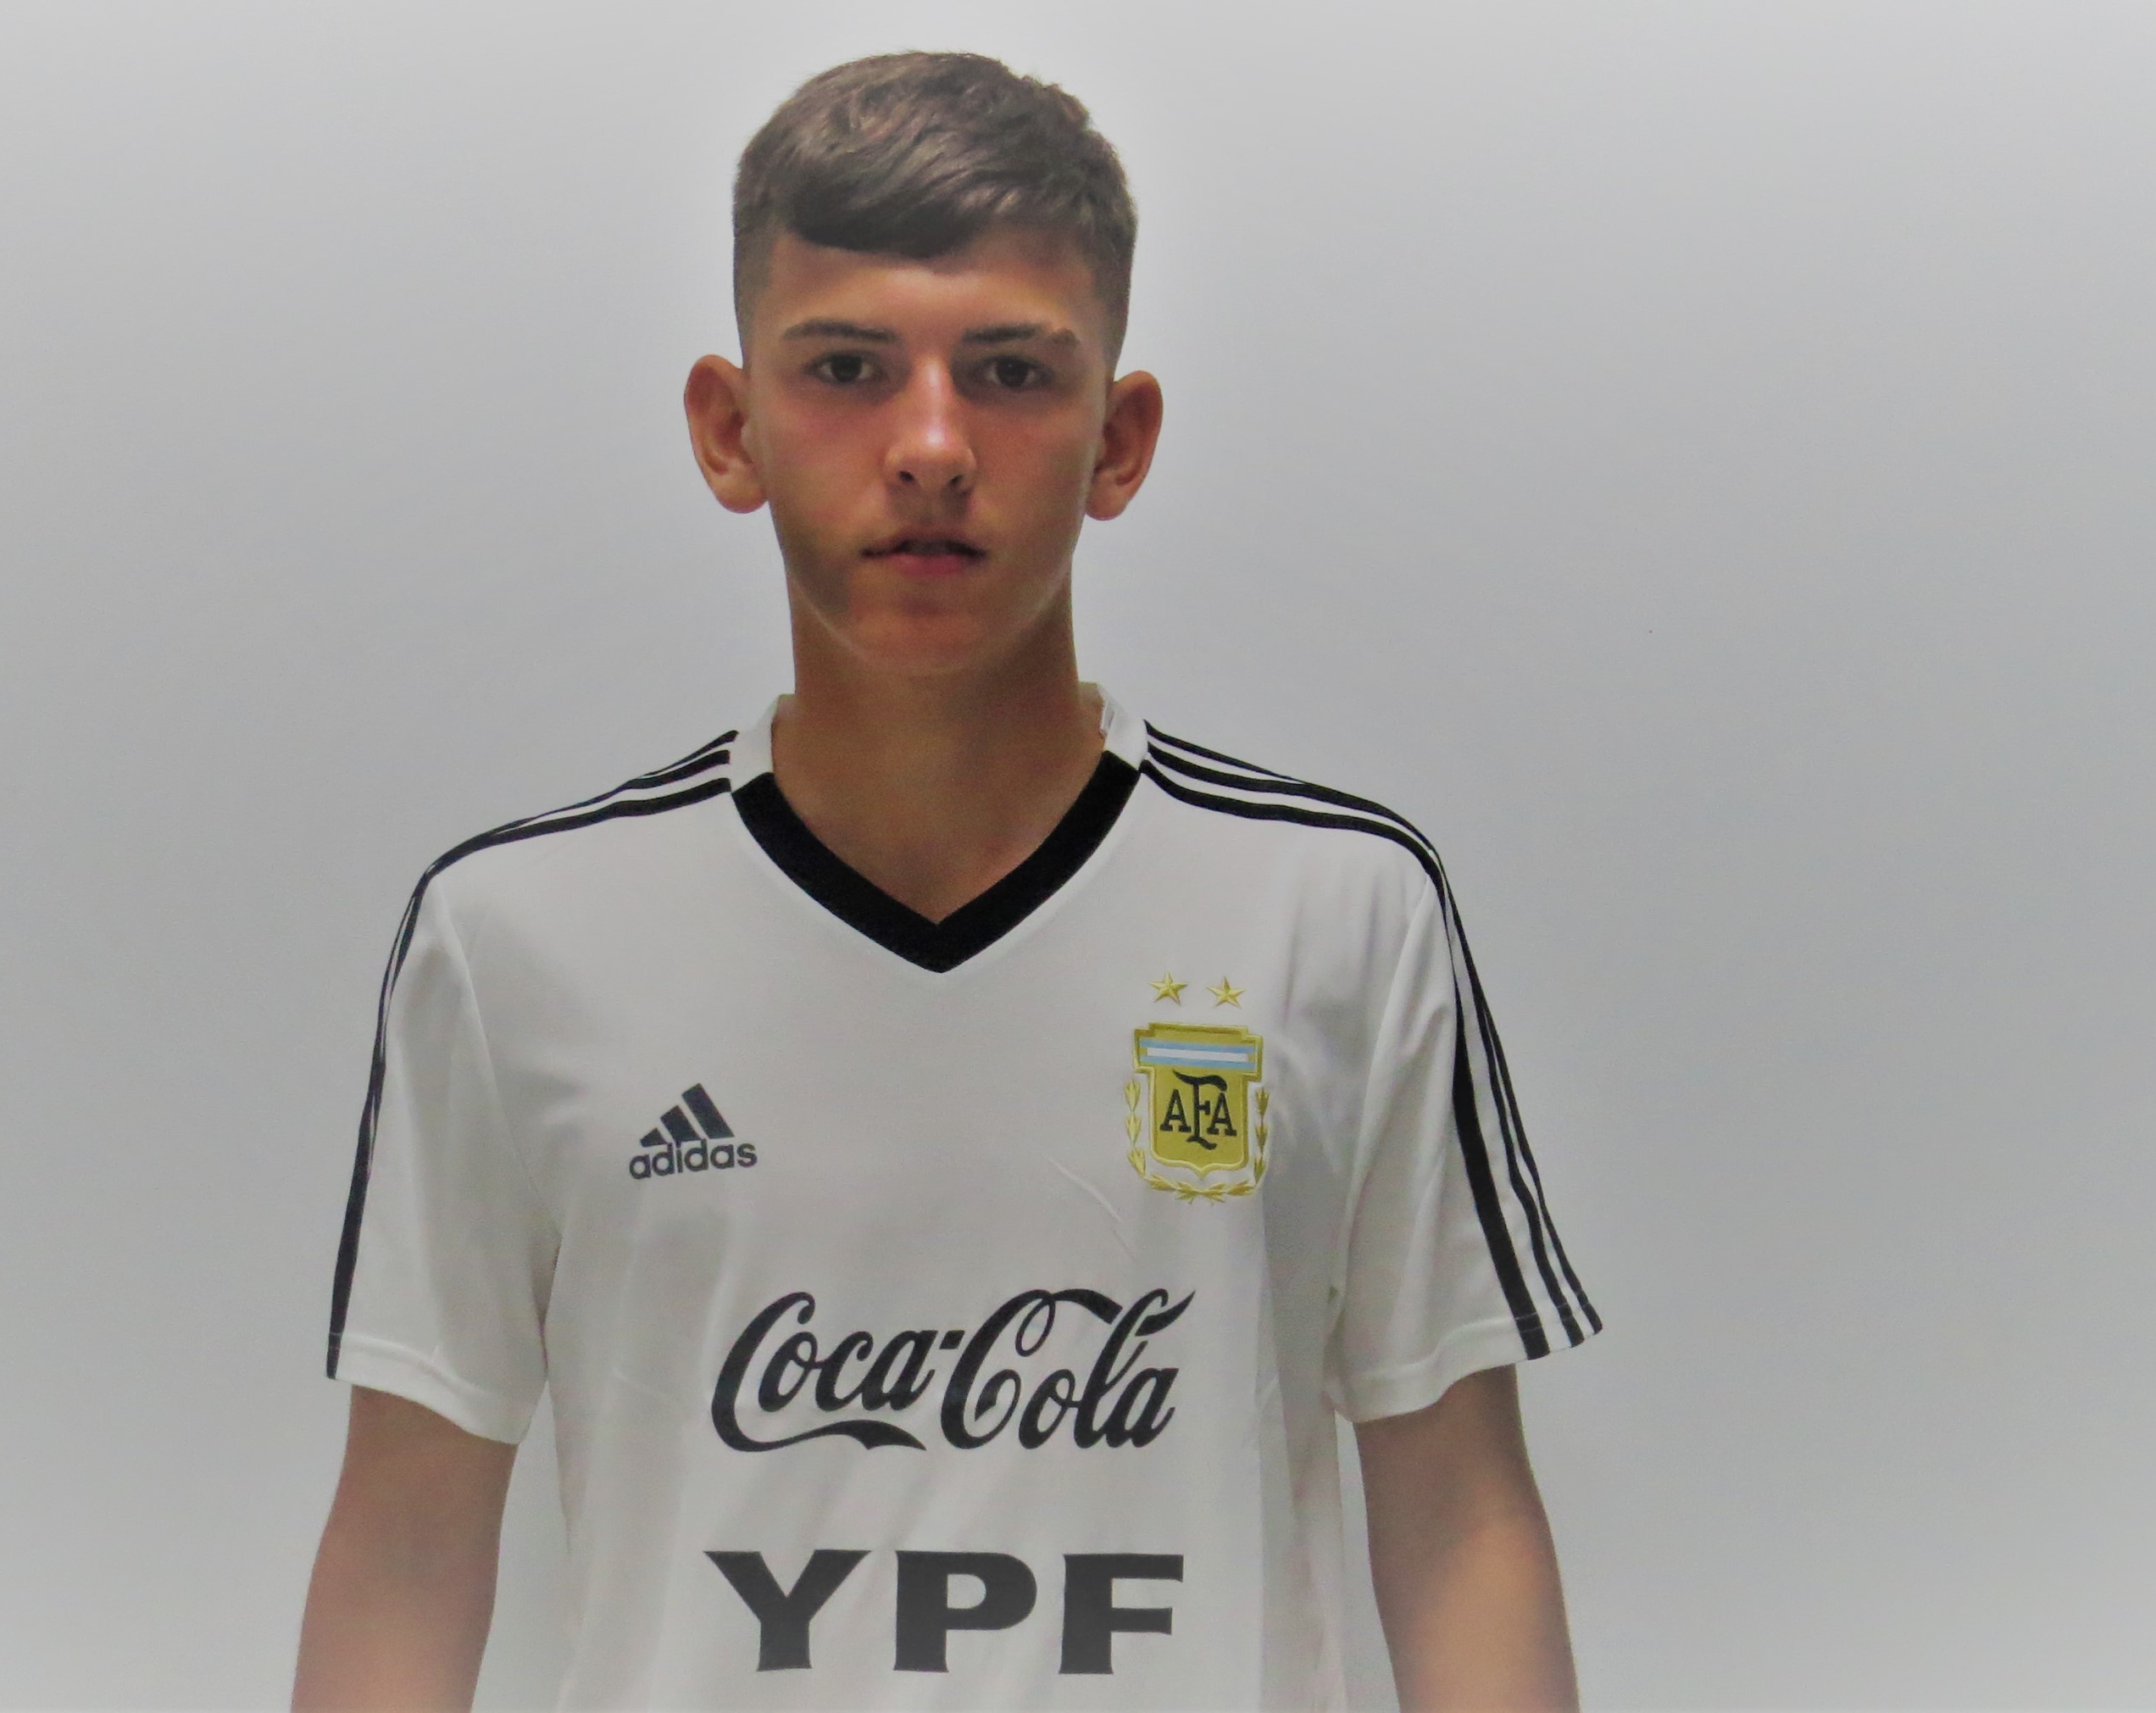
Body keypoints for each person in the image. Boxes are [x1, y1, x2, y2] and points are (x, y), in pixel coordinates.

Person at [292, 50, 1599, 1713]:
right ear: (731, 428)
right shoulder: (517, 939)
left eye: (1010, 372)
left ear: (1119, 438)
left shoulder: (1335, 909)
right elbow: (409, 1539)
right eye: (846, 368)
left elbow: (1458, 1509)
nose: (928, 444)